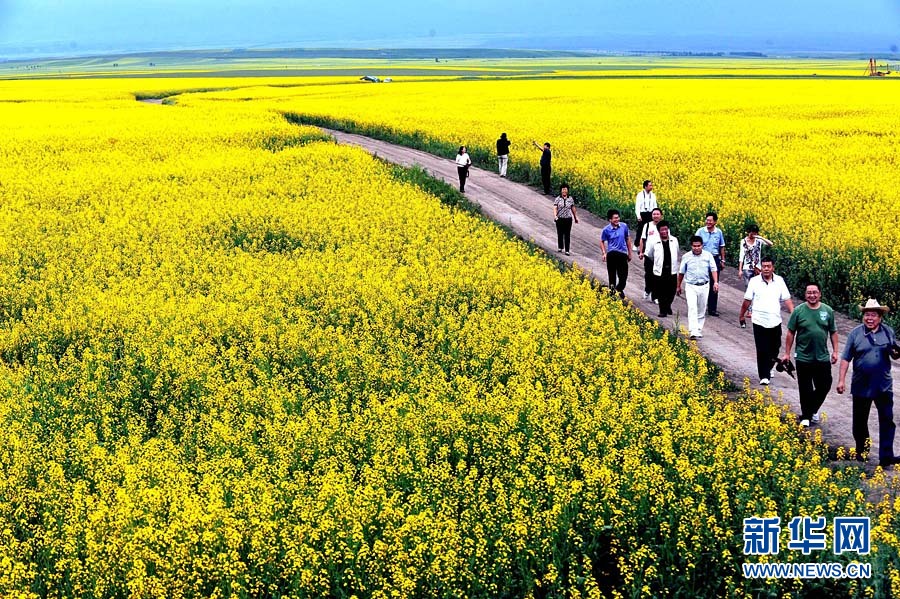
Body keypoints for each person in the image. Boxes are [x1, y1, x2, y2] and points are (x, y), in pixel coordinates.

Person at [836, 299, 900, 468]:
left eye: (873, 315)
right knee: (860, 421)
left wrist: (896, 353)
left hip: (883, 385)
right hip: (861, 385)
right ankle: (862, 452)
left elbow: (894, 355)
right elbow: (845, 358)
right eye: (866, 314)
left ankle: (886, 456)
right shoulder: (855, 334)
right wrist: (841, 380)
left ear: (880, 317)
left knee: (887, 420)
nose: (869, 318)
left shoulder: (888, 332)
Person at [782, 283, 838, 427]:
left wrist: (835, 351)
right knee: (805, 387)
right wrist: (787, 353)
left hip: (822, 356)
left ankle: (812, 408)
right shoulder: (799, 311)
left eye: (815, 292)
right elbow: (790, 332)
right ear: (805, 294)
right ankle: (806, 416)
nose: (812, 295)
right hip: (803, 356)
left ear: (819, 294)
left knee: (825, 385)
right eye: (809, 293)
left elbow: (833, 332)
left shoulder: (828, 311)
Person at [739, 257, 794, 386]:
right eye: (764, 266)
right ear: (761, 268)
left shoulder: (779, 281)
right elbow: (747, 300)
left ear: (773, 267)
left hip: (775, 319)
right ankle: (764, 375)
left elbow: (787, 299)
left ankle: (768, 366)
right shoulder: (754, 282)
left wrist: (794, 314)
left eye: (769, 266)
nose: (766, 269)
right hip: (759, 319)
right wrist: (742, 314)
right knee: (762, 348)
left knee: (775, 348)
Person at [677, 236, 719, 339]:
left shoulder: (708, 256)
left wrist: (716, 282)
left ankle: (699, 328)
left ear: (702, 246)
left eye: (698, 246)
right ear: (691, 246)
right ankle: (693, 330)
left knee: (702, 308)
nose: (696, 248)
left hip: (704, 285)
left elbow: (713, 269)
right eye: (694, 246)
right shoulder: (686, 257)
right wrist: (678, 286)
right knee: (692, 307)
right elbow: (681, 272)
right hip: (691, 285)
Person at [645, 220, 679, 318]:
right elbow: (650, 255)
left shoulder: (674, 240)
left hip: (672, 270)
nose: (664, 232)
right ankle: (662, 310)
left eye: (665, 229)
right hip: (660, 271)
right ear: (658, 231)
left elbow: (676, 251)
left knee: (671, 291)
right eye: (662, 230)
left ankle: (668, 305)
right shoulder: (653, 241)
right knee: (661, 291)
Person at [696, 212, 726, 317]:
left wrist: (723, 260)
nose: (708, 222)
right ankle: (700, 307)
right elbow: (695, 245)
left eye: (710, 220)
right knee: (702, 282)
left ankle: (712, 309)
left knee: (714, 283)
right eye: (707, 220)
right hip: (702, 258)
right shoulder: (700, 231)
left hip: (715, 258)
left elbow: (722, 246)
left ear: (715, 222)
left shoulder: (719, 232)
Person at [600, 209, 632, 298]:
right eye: (615, 218)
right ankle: (612, 295)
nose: (617, 220)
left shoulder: (624, 226)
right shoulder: (606, 230)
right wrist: (604, 253)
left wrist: (630, 253)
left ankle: (619, 289)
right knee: (612, 275)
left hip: (622, 254)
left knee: (623, 277)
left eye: (618, 218)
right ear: (610, 220)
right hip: (612, 254)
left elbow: (627, 239)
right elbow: (602, 241)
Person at [638, 207, 663, 301]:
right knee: (648, 274)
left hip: (660, 256)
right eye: (654, 214)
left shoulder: (664, 227)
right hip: (648, 254)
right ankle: (647, 290)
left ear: (661, 216)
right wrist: (641, 252)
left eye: (657, 214)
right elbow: (642, 239)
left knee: (658, 276)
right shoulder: (647, 225)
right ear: (651, 215)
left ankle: (655, 296)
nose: (656, 216)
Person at [738, 224, 774, 288]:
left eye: (755, 233)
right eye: (752, 232)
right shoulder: (743, 241)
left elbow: (771, 244)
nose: (753, 234)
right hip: (747, 268)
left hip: (758, 269)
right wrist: (740, 270)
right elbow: (741, 256)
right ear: (748, 232)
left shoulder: (758, 240)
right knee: (749, 287)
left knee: (758, 287)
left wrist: (761, 237)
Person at [553, 184, 578, 255]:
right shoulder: (557, 199)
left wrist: (575, 217)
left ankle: (567, 250)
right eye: (563, 189)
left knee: (567, 234)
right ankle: (560, 247)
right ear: (561, 191)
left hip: (568, 219)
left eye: (565, 189)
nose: (564, 191)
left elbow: (573, 208)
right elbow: (555, 208)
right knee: (560, 233)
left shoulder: (570, 199)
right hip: (560, 218)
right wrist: (555, 216)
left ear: (568, 191)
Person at [634, 180, 658, 252]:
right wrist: (638, 215)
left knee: (650, 230)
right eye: (650, 185)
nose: (651, 187)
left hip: (650, 214)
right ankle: (636, 244)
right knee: (640, 230)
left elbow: (655, 205)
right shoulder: (640, 195)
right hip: (643, 214)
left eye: (651, 185)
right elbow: (637, 206)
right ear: (645, 186)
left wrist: (655, 215)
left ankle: (646, 246)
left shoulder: (653, 195)